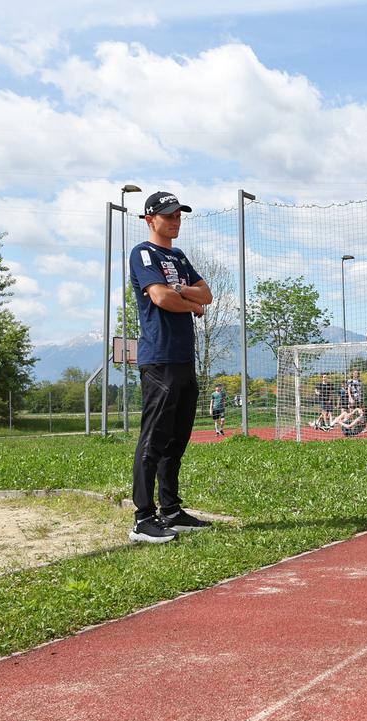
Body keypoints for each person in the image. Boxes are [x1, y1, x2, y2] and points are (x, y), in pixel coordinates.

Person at [128, 191, 214, 544]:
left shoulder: (178, 256)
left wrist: (182, 291)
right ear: (151, 220)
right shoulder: (142, 253)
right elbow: (160, 298)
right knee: (154, 439)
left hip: (183, 358)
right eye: (168, 216)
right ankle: (143, 518)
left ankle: (172, 510)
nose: (175, 222)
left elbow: (206, 294)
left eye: (179, 216)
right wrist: (189, 303)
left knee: (177, 438)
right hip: (159, 359)